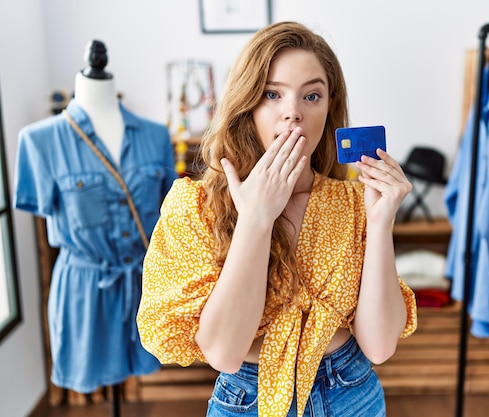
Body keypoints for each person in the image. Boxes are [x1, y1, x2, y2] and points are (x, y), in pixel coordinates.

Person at [136, 21, 417, 417]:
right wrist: (255, 220)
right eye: (272, 94)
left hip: (352, 391)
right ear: (246, 103)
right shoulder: (196, 205)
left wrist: (381, 219)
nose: (293, 113)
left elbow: (380, 345)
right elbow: (223, 352)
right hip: (249, 399)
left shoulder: (354, 202)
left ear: (328, 107)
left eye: (312, 95)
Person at [13, 40, 178, 394]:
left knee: (146, 363)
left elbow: (169, 212)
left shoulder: (155, 136)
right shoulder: (38, 141)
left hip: (144, 285)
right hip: (84, 289)